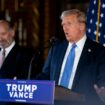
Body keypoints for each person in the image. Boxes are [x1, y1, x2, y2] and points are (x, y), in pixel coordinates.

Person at [36, 9, 105, 105]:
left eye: (69, 23)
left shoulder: (99, 51)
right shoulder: (56, 49)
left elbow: (101, 82)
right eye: (63, 24)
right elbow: (45, 75)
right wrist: (28, 84)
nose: (65, 28)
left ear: (81, 26)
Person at [0, 19, 37, 105]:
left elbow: (24, 85)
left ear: (12, 33)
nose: (0, 38)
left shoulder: (26, 55)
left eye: (3, 34)